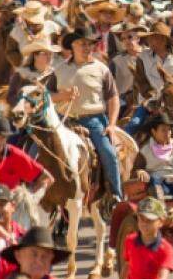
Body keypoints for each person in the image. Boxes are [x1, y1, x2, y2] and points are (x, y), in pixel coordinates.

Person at [50, 30, 125, 199]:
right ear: (73, 46)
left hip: (93, 121)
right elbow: (47, 96)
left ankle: (115, 195)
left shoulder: (101, 69)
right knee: (37, 148)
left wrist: (112, 125)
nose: (87, 47)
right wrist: (63, 96)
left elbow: (113, 98)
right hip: (64, 121)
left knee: (108, 153)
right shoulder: (59, 69)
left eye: (90, 44)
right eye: (83, 44)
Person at [127, 22, 173, 135]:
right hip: (151, 101)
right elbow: (141, 83)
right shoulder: (142, 57)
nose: (150, 41)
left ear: (164, 40)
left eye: (154, 38)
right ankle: (120, 149)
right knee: (134, 125)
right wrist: (155, 98)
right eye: (149, 38)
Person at [132, 112, 173, 199]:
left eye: (169, 130)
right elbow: (135, 170)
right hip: (159, 183)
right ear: (153, 132)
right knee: (155, 186)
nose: (167, 133)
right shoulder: (145, 150)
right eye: (163, 130)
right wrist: (140, 171)